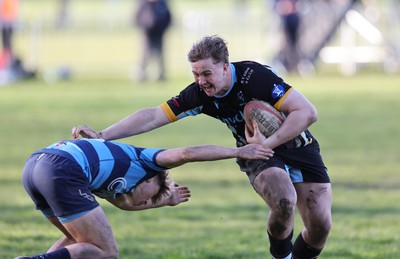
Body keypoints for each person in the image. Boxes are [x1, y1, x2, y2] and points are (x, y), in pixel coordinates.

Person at [72, 35, 332, 259]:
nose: (201, 81)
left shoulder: (256, 78)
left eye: (207, 73)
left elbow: (307, 112)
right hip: (254, 153)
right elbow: (153, 116)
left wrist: (268, 142)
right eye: (195, 74)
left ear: (225, 67)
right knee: (284, 200)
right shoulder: (198, 93)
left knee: (320, 226)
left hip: (298, 147)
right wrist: (102, 135)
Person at [17, 138, 273, 259]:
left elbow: (128, 204)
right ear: (151, 179)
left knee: (80, 240)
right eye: (147, 197)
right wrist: (239, 151)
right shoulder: (147, 162)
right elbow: (186, 152)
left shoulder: (116, 190)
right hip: (61, 168)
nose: (139, 201)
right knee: (106, 252)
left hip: (35, 166)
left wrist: (164, 202)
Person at [134, 0, 171, 82]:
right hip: (147, 34)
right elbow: (137, 18)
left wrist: (163, 27)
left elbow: (168, 17)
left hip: (159, 34)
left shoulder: (162, 3)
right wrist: (145, 26)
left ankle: (161, 75)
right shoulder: (142, 4)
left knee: (160, 57)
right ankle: (141, 76)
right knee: (144, 56)